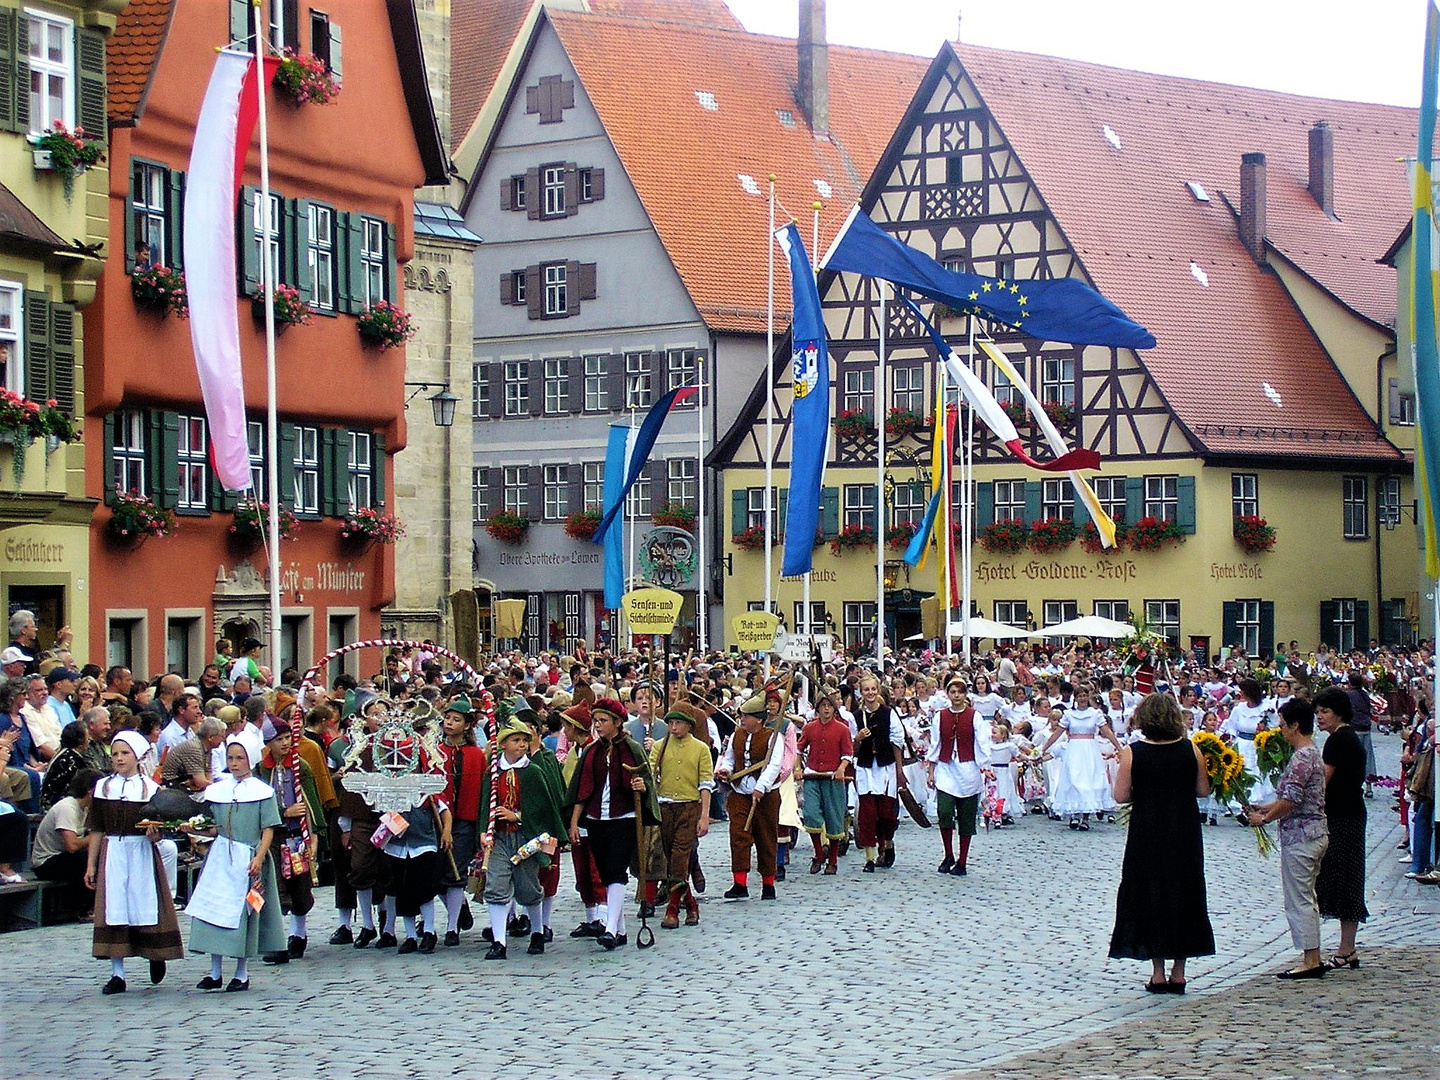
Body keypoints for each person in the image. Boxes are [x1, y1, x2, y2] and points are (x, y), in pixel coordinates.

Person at [1108, 694, 1215, 993]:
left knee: (1151, 894)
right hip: (1183, 830)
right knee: (1184, 892)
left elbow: (1120, 796)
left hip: (1148, 831)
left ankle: (1157, 971)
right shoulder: (1190, 749)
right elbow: (1203, 790)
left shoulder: (1133, 752)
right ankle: (1179, 971)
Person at [84, 730, 185, 994]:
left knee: (145, 902)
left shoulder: (151, 789)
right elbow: (96, 828)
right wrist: (91, 865)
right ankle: (117, 972)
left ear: (137, 756)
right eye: (115, 753)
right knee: (115, 907)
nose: (118, 758)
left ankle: (156, 952)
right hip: (114, 851)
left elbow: (160, 827)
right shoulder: (104, 787)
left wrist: (155, 834)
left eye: (124, 753)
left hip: (140, 851)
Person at [187, 738, 285, 992]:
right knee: (214, 912)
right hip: (220, 857)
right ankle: (215, 971)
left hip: (247, 859)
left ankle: (241, 973)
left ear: (250, 759)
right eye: (230, 758)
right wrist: (193, 828)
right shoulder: (219, 790)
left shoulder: (262, 791)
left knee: (243, 916)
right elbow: (213, 827)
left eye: (240, 758)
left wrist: (260, 856)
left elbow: (268, 829)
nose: (234, 763)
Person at [565, 697, 658, 949]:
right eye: (596, 721)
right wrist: (574, 822)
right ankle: (620, 930)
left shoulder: (631, 749)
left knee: (616, 871)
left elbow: (645, 782)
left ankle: (608, 928)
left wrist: (640, 786)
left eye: (603, 721)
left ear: (617, 722)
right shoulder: (591, 752)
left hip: (624, 817)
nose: (598, 725)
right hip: (596, 819)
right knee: (606, 873)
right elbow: (581, 790)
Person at [1246, 698, 1329, 980]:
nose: (1280, 730)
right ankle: (1312, 955)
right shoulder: (1311, 753)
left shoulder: (1301, 758)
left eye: (1283, 725)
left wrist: (1265, 818)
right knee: (1307, 896)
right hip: (1314, 832)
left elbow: (1292, 800)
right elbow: (1294, 797)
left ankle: (1310, 960)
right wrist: (1267, 807)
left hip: (1302, 837)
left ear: (1295, 726)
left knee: (1300, 899)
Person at [478, 716, 567, 959]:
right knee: (496, 886)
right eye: (516, 740)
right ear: (503, 744)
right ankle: (499, 941)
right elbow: (485, 804)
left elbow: (542, 808)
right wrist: (483, 832)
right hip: (499, 840)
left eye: (524, 741)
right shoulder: (493, 773)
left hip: (525, 838)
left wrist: (517, 816)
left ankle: (537, 931)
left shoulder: (533, 772)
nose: (521, 745)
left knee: (527, 887)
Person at [1311, 686, 1369, 970]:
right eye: (1318, 712)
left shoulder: (1337, 741)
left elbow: (1324, 781)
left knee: (1343, 878)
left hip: (1342, 816)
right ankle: (1348, 947)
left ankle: (1346, 948)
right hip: (1351, 813)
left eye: (1325, 712)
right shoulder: (1347, 738)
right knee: (1348, 877)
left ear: (1339, 713)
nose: (1320, 717)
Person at [648, 701, 713, 928]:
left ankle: (673, 908)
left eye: (678, 723)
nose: (674, 728)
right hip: (665, 808)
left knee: (680, 856)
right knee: (671, 857)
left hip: (689, 807)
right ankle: (691, 904)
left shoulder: (700, 749)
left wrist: (704, 816)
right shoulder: (659, 746)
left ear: (689, 725)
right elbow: (651, 775)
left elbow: (705, 784)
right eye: (671, 723)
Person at [714, 695, 785, 899]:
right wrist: (726, 771)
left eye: (746, 716)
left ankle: (768, 884)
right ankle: (740, 883)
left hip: (766, 795)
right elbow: (729, 758)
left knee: (766, 836)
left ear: (759, 719)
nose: (742, 720)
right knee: (738, 836)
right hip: (739, 793)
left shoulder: (773, 738)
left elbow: (774, 765)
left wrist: (761, 787)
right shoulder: (737, 735)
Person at [925, 677, 991, 876]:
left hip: (968, 769)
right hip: (946, 768)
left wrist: (985, 766)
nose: (956, 696)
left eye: (960, 692)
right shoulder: (940, 716)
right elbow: (935, 744)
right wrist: (931, 770)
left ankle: (962, 860)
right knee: (944, 812)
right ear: (947, 694)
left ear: (965, 695)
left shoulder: (974, 716)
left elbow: (982, 742)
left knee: (966, 817)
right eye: (953, 692)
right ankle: (948, 855)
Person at [437, 696, 485, 947]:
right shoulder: (436, 752)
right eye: (447, 718)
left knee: (456, 872)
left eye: (456, 719)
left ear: (467, 725)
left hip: (465, 820)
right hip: (437, 820)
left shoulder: (476, 755)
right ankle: (459, 909)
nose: (450, 723)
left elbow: (482, 790)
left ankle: (452, 926)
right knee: (436, 873)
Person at [1039, 685, 1121, 829]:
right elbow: (1057, 733)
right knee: (1073, 779)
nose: (1082, 699)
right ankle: (1074, 814)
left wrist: (1119, 748)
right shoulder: (1070, 715)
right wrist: (1043, 748)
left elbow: (1107, 732)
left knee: (1088, 781)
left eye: (1084, 695)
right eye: (1079, 696)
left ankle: (1085, 817)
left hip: (1089, 750)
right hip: (1074, 749)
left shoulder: (1095, 713)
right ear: (1075, 698)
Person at [853, 674, 907, 871]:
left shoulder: (888, 713)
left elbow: (897, 740)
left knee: (886, 813)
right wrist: (858, 738)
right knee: (867, 813)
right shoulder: (856, 716)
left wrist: (899, 769)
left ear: (878, 690)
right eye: (866, 689)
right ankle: (869, 857)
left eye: (873, 689)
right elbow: (851, 747)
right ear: (861, 692)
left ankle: (887, 843)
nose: (870, 693)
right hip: (865, 767)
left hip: (885, 767)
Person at [32, 768, 99, 916]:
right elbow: (72, 846)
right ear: (91, 791)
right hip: (46, 862)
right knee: (84, 859)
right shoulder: (67, 807)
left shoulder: (87, 808)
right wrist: (98, 836)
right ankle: (85, 908)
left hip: (63, 857)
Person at [798, 693, 853, 876]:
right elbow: (799, 749)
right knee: (811, 814)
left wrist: (841, 769)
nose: (826, 709)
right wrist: (798, 768)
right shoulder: (810, 728)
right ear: (818, 708)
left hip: (832, 778)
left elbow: (847, 754)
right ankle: (819, 853)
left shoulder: (842, 729)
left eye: (830, 706)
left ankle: (833, 860)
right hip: (812, 776)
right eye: (823, 706)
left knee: (834, 818)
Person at [39, 720, 89, 812]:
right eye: (87, 737)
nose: (88, 740)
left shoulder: (63, 753)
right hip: (58, 806)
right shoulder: (72, 759)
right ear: (80, 741)